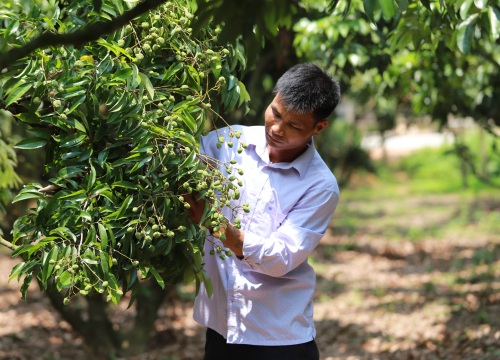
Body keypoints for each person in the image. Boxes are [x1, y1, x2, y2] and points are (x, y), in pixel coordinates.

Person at [184, 63, 341, 360]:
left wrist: (216, 225)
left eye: (294, 126)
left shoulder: (320, 186)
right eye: (276, 113)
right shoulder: (229, 143)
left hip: (277, 338)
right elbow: (181, 160)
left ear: (318, 128)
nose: (277, 129)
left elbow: (281, 257)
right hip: (221, 328)